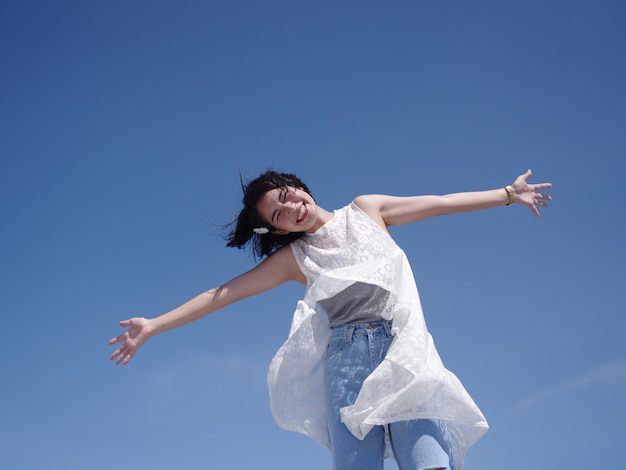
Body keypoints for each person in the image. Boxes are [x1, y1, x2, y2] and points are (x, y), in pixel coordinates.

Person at [109, 168, 552, 470]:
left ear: (298, 187)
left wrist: (508, 195)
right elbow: (220, 294)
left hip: (405, 351)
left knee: (429, 462)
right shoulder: (294, 258)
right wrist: (155, 324)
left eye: (287, 197)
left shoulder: (366, 209)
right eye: (278, 215)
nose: (291, 209)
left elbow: (438, 202)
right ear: (279, 231)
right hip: (347, 362)